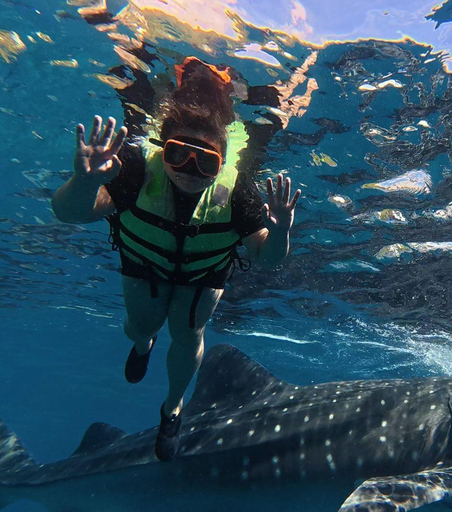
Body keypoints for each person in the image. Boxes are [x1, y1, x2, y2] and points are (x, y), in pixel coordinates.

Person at [52, 57, 301, 461]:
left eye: (206, 161)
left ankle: (173, 409)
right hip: (144, 266)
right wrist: (84, 180)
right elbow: (69, 212)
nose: (190, 170)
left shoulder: (237, 193)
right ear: (160, 149)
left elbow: (268, 260)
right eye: (178, 154)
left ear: (222, 162)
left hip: (203, 275)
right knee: (141, 325)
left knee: (189, 336)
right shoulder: (135, 170)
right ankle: (143, 343)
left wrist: (282, 230)